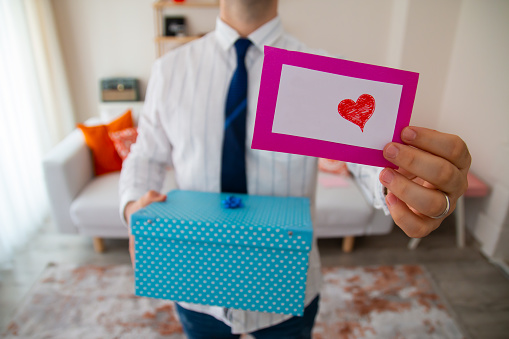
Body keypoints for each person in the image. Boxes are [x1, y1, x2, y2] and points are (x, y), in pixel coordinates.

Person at [119, 0, 471, 338]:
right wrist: (134, 204)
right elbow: (146, 155)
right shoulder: (170, 70)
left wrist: (400, 183)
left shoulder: (321, 72)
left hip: (286, 284)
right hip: (194, 279)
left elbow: (362, 160)